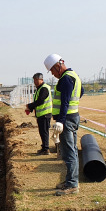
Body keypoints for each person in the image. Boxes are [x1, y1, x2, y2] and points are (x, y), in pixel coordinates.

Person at [44, 54, 84, 196]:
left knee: (69, 153)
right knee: (71, 150)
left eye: (53, 71)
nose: (53, 74)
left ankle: (72, 184)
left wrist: (60, 121)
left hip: (67, 120)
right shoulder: (74, 76)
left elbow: (65, 102)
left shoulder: (66, 79)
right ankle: (70, 181)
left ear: (58, 65)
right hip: (73, 117)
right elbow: (81, 92)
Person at [25, 73, 52, 155]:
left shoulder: (44, 89)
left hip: (45, 114)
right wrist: (31, 108)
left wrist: (30, 105)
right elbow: (38, 101)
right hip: (41, 115)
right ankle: (44, 147)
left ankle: (46, 149)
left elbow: (40, 101)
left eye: (37, 80)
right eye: (34, 80)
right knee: (42, 131)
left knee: (44, 132)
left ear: (42, 80)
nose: (35, 82)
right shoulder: (39, 89)